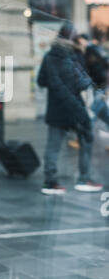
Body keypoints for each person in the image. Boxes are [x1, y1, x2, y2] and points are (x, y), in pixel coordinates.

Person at [37, 21, 103, 195]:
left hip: (57, 108)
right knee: (86, 141)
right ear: (73, 37)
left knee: (53, 146)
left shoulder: (50, 55)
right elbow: (82, 82)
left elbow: (41, 81)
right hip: (75, 109)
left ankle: (50, 182)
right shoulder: (73, 56)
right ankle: (84, 178)